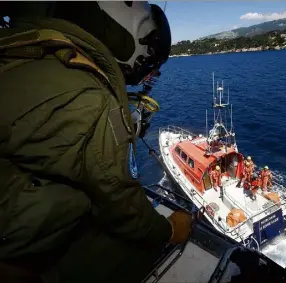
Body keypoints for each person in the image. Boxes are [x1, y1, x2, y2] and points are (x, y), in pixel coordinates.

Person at [0, 2, 192, 283]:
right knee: (94, 212)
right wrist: (169, 230)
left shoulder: (30, 50)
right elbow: (121, 202)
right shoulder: (90, 102)